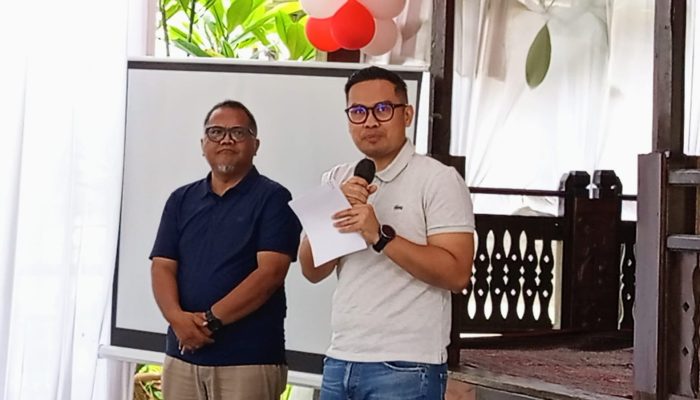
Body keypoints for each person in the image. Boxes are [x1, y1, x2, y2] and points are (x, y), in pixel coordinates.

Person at [299, 66, 476, 400]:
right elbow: (312, 270)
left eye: (382, 109)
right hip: (341, 357)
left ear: (406, 114)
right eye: (358, 111)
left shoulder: (439, 180)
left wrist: (380, 237)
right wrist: (333, 213)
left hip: (407, 364)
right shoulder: (337, 178)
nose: (369, 122)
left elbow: (456, 275)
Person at [150, 100, 301, 400]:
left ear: (256, 145)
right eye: (216, 132)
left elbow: (270, 274)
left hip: (247, 359)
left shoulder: (274, 198)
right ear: (203, 144)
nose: (226, 140)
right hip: (182, 355)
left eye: (238, 133)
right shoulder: (180, 199)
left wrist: (208, 322)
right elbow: (162, 265)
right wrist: (177, 319)